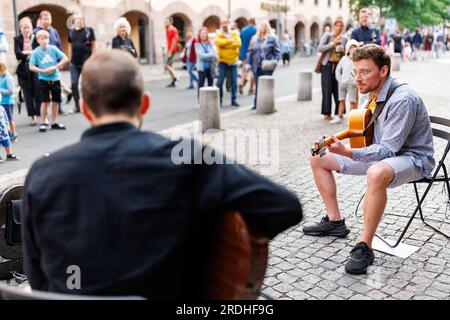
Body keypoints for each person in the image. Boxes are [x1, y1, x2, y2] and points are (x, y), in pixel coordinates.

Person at [21, 50, 303, 299]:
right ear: (145, 104)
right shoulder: (188, 158)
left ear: (84, 109)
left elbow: (36, 277)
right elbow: (285, 207)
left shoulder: (41, 173)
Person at [304, 44, 435, 274]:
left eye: (364, 72)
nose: (358, 79)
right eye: (356, 72)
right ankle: (335, 222)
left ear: (383, 71)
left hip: (413, 158)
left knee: (376, 172)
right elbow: (364, 135)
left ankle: (365, 245)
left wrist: (347, 152)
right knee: (318, 157)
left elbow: (387, 151)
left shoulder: (402, 99)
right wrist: (339, 144)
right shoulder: (371, 94)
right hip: (384, 153)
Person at [29, 30, 69, 132]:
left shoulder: (53, 49)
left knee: (56, 101)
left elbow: (65, 58)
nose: (45, 41)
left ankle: (54, 122)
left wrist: (56, 66)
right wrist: (43, 70)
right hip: (43, 79)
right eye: (42, 39)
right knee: (45, 101)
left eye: (46, 38)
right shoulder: (36, 52)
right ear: (38, 40)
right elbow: (31, 66)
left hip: (55, 79)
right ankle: (43, 122)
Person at [246, 20, 280, 110]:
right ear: (259, 27)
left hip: (267, 66)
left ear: (268, 27)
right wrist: (248, 64)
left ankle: (269, 105)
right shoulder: (254, 38)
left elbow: (277, 52)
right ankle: (256, 104)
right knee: (258, 86)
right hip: (256, 66)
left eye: (265, 26)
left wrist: (275, 61)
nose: (263, 27)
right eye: (261, 26)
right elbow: (250, 52)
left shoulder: (272, 38)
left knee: (267, 86)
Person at [318, 19, 346, 121]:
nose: (339, 27)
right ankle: (327, 113)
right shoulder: (328, 36)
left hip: (338, 66)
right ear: (334, 26)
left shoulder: (344, 38)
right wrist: (332, 44)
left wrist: (343, 51)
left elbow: (345, 54)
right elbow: (320, 48)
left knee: (338, 90)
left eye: (341, 26)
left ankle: (339, 112)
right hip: (327, 66)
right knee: (327, 89)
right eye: (337, 25)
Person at [68, 12, 96, 114]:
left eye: (80, 19)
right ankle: (77, 105)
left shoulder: (89, 31)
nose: (78, 21)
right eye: (76, 19)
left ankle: (87, 104)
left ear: (83, 20)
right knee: (74, 84)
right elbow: (70, 46)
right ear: (73, 21)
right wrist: (69, 60)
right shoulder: (71, 32)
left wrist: (93, 58)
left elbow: (93, 45)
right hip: (74, 63)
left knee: (86, 84)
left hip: (86, 63)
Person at [14, 17, 40, 126]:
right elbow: (18, 54)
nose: (26, 29)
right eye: (24, 27)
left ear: (31, 28)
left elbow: (38, 52)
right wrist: (30, 53)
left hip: (34, 68)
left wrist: (26, 53)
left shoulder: (35, 38)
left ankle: (40, 114)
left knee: (37, 91)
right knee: (27, 94)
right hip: (23, 70)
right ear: (20, 29)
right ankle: (33, 117)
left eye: (28, 27)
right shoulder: (17, 39)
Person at [331, 39, 359, 124]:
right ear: (348, 48)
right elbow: (338, 70)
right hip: (342, 83)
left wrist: (355, 81)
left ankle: (351, 119)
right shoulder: (343, 59)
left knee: (352, 101)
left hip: (352, 84)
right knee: (341, 100)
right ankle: (339, 116)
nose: (353, 49)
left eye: (355, 47)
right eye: (351, 47)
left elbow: (358, 72)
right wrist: (339, 80)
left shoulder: (357, 60)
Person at [215, 19, 242, 107]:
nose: (224, 25)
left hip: (233, 61)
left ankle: (234, 100)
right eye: (222, 23)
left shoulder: (234, 34)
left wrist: (225, 46)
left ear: (229, 24)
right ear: (220, 25)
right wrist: (230, 41)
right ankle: (220, 100)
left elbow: (238, 43)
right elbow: (219, 43)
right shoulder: (219, 35)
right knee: (220, 82)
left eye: (226, 23)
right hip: (222, 61)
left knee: (234, 81)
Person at [195, 27, 217, 98]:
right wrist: (210, 55)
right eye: (202, 33)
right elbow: (201, 56)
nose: (203, 35)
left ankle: (210, 100)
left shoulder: (210, 44)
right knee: (201, 85)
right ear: (199, 34)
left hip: (210, 67)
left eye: (205, 33)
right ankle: (200, 101)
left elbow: (215, 55)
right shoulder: (197, 44)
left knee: (210, 85)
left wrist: (209, 55)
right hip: (202, 68)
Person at [0, 62, 18, 143]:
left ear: (2, 69)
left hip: (7, 102)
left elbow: (11, 91)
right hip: (3, 102)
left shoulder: (8, 78)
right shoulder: (2, 77)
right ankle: (8, 134)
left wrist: (1, 91)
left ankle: (14, 135)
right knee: (5, 119)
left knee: (10, 119)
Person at [239, 18, 257, 95]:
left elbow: (240, 42)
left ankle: (241, 83)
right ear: (254, 22)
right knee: (252, 71)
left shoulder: (243, 30)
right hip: (253, 53)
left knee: (244, 71)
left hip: (243, 53)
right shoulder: (255, 30)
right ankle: (251, 89)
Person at [165, 17, 179, 88]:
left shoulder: (173, 30)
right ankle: (173, 81)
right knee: (170, 66)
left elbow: (174, 41)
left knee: (167, 65)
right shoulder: (168, 29)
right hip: (169, 50)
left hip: (172, 50)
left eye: (167, 21)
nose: (166, 23)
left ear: (171, 22)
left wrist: (170, 51)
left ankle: (176, 76)